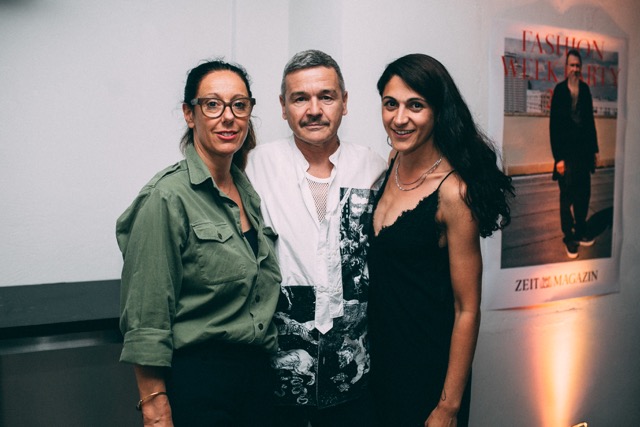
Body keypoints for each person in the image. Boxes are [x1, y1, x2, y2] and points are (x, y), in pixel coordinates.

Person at [116, 59, 281, 427]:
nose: (229, 117)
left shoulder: (245, 191)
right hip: (199, 383)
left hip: (256, 380)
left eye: (239, 105)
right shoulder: (166, 197)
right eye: (213, 104)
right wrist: (155, 409)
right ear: (189, 114)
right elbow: (147, 316)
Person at [368, 53, 514, 427]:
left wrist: (448, 407)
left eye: (415, 105)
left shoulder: (453, 193)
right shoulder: (393, 162)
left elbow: (467, 308)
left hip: (427, 373)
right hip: (380, 365)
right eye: (390, 104)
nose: (399, 118)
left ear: (437, 110)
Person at [245, 49, 387, 426]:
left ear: (344, 102)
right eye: (300, 98)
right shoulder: (255, 165)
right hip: (276, 378)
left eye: (326, 96)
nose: (314, 110)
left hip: (354, 375)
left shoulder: (373, 167)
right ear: (282, 106)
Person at [549, 48, 599, 259]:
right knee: (566, 197)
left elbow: (590, 122)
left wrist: (594, 150)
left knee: (583, 195)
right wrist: (558, 158)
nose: (575, 69)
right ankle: (569, 237)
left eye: (578, 66)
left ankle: (580, 230)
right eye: (572, 65)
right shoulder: (560, 91)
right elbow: (554, 127)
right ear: (566, 67)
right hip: (566, 156)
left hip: (583, 154)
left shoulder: (585, 90)